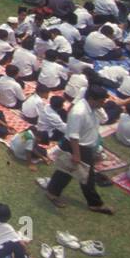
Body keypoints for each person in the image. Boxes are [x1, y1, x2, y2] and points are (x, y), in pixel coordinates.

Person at [43, 86, 114, 214]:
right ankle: (95, 203)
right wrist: (76, 154)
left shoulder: (94, 108)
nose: (102, 104)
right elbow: (73, 136)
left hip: (85, 145)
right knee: (86, 176)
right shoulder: (79, 112)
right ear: (92, 99)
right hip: (77, 147)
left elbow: (104, 119)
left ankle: (52, 192)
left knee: (65, 172)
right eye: (101, 101)